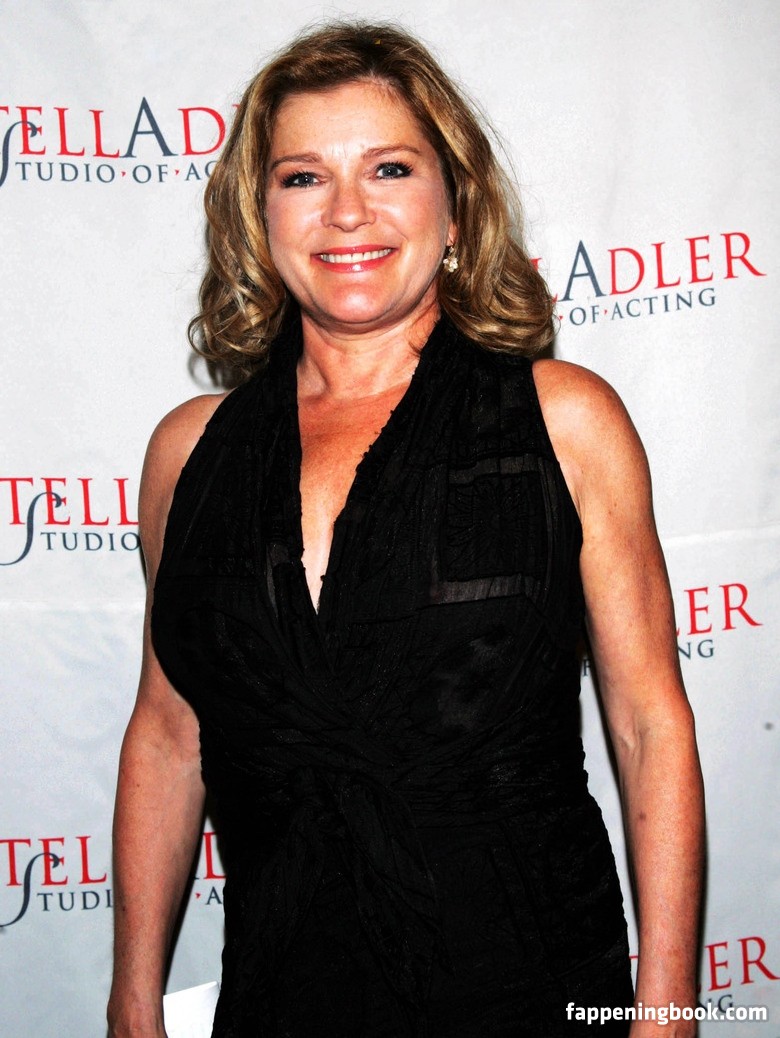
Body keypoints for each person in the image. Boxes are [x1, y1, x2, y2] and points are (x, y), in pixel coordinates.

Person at [107, 21, 704, 1038]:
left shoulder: (565, 422)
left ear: (455, 204)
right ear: (259, 216)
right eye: (303, 177)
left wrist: (668, 1010)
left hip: (534, 990)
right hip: (281, 993)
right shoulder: (188, 454)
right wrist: (132, 998)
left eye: (390, 168)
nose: (348, 210)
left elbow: (650, 727)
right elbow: (168, 737)